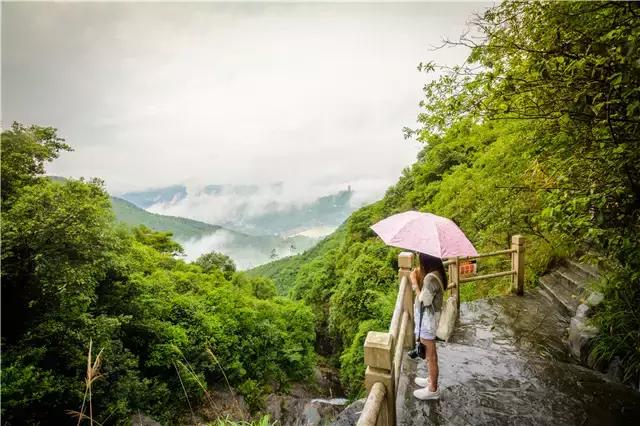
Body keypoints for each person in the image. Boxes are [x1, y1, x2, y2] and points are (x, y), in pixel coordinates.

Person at [409, 252, 446, 400]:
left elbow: (425, 301)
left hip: (428, 322)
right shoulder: (437, 273)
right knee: (431, 354)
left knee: (430, 356)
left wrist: (414, 283)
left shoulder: (430, 278)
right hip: (430, 320)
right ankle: (430, 379)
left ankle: (433, 389)